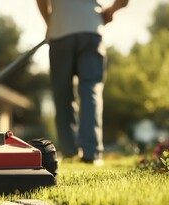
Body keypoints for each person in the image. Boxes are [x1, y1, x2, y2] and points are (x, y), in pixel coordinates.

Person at [36, 0, 128, 165]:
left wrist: (50, 23)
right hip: (90, 28)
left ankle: (69, 151)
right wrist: (111, 10)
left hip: (60, 31)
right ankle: (91, 152)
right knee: (90, 90)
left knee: (62, 94)